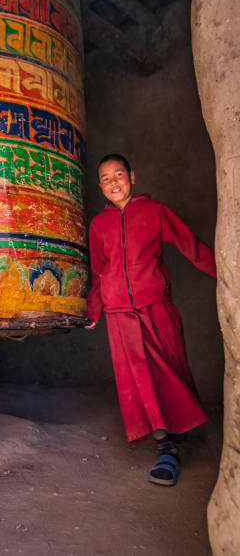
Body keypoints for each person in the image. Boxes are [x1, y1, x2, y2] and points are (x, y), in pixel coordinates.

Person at [85, 153, 216, 486]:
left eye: (119, 175)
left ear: (132, 176)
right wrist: (94, 309)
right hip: (119, 314)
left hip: (156, 306)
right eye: (106, 178)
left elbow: (192, 246)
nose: (114, 182)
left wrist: (228, 273)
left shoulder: (156, 212)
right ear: (100, 186)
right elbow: (99, 272)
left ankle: (179, 430)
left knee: (171, 372)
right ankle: (166, 449)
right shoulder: (98, 225)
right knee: (138, 381)